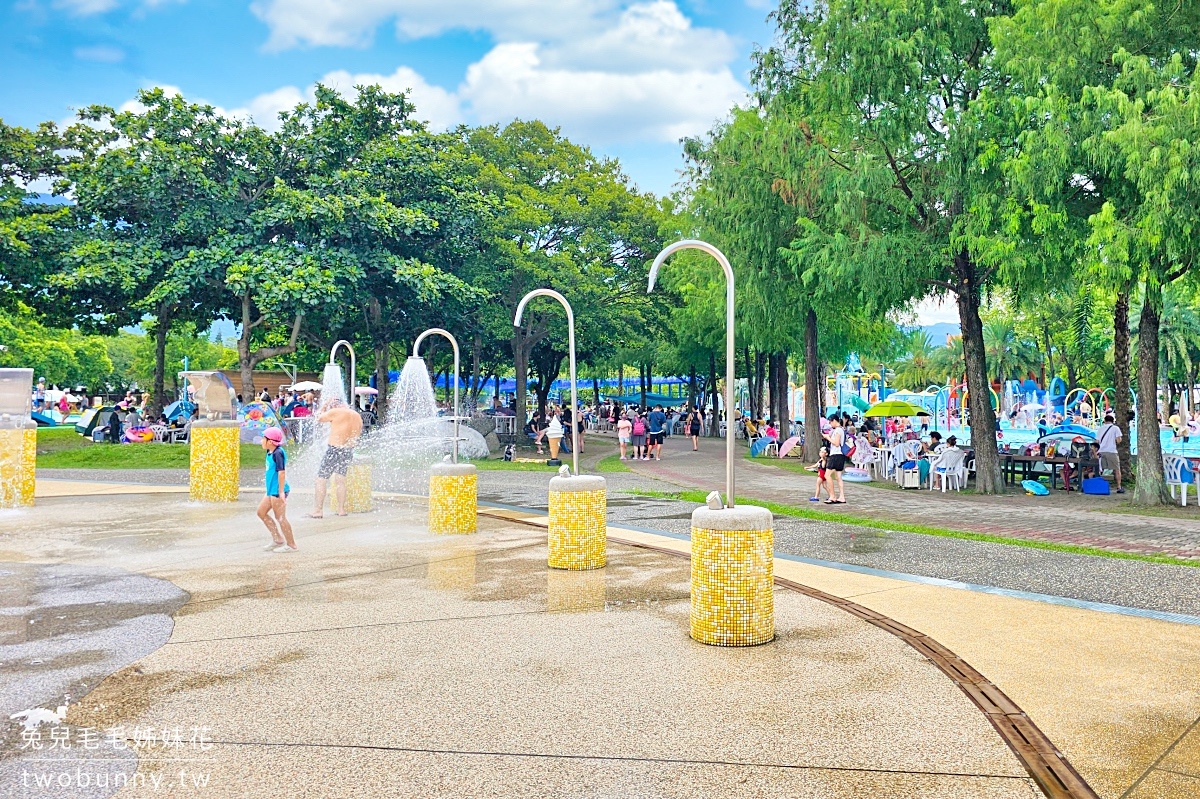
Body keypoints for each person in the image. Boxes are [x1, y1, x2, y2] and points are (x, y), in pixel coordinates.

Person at [310, 400, 364, 518]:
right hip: (348, 450)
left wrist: (324, 406)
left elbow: (317, 418)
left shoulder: (336, 411)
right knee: (341, 480)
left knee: (321, 479)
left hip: (334, 448)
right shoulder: (357, 416)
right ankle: (341, 509)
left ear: (334, 405)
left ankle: (318, 510)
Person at [258, 427, 297, 552]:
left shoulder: (278, 453)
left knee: (280, 517)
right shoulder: (270, 451)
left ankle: (291, 545)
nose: (261, 441)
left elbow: (281, 473)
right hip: (271, 490)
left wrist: (281, 492)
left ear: (270, 441)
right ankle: (277, 539)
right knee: (261, 512)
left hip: (277, 491)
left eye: (263, 438)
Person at [1096, 413, 1125, 493]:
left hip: (1101, 451)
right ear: (1113, 421)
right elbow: (1118, 440)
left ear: (1105, 421)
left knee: (1101, 469)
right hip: (1112, 451)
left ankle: (1099, 486)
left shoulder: (1100, 428)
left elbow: (1097, 441)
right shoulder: (1115, 428)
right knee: (1116, 469)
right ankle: (1119, 486)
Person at [823, 416, 847, 504]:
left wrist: (827, 438)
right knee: (838, 477)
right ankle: (842, 496)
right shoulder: (840, 430)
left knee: (827, 475)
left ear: (834, 421)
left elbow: (836, 443)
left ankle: (832, 496)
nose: (830, 424)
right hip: (840, 455)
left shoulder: (838, 430)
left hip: (835, 455)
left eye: (830, 422)